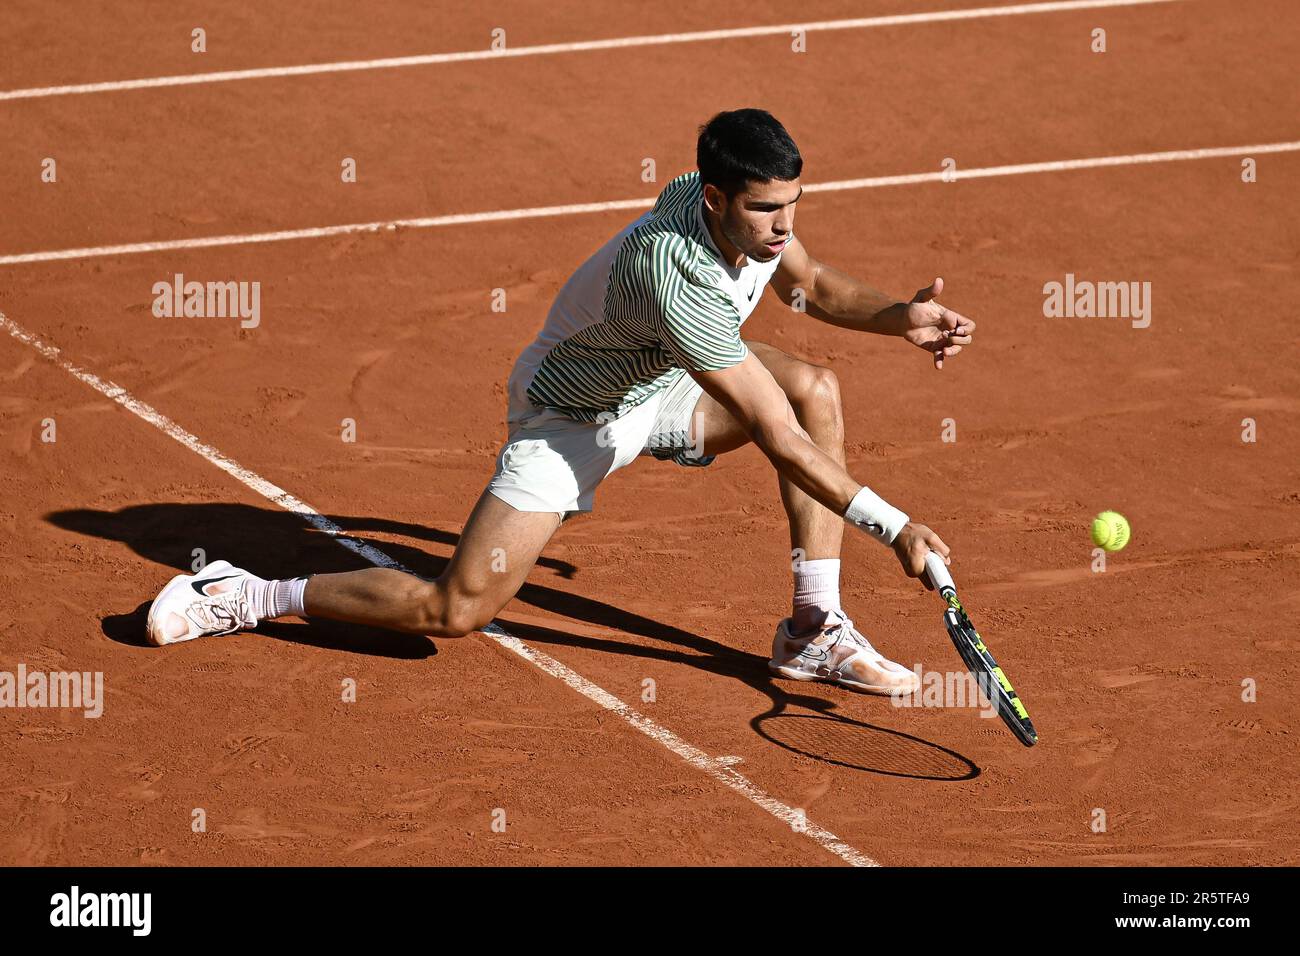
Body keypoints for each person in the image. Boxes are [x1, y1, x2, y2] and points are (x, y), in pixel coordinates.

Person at [146, 108, 975, 696]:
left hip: (660, 383)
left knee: (815, 388)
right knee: (456, 608)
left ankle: (812, 629)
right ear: (717, 200)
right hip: (574, 418)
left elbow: (817, 287)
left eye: (794, 203)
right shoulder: (677, 275)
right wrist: (894, 528)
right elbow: (774, 435)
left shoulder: (741, 210)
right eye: (766, 208)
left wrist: (901, 317)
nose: (784, 225)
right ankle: (246, 593)